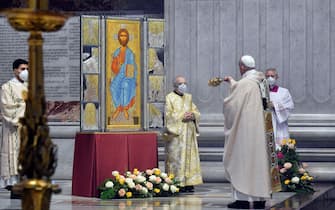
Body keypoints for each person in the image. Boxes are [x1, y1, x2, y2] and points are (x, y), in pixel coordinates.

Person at [223, 55, 275, 209]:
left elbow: (232, 105)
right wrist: (233, 83)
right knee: (259, 162)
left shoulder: (245, 83)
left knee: (243, 162)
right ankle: (260, 198)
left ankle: (242, 199)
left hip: (245, 131)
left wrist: (226, 102)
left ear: (242, 67)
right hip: (262, 130)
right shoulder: (262, 80)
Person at [164, 75, 203, 192]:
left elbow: (196, 111)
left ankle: (189, 182)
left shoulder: (188, 97)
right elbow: (168, 116)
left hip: (188, 134)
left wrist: (193, 115)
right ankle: (177, 182)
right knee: (176, 158)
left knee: (189, 158)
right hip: (176, 135)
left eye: (185, 83)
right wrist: (182, 116)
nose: (183, 86)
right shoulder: (169, 98)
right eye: (181, 83)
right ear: (175, 86)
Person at [0, 59, 28, 197]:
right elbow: (7, 108)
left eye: (27, 69)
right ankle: (14, 186)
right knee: (14, 156)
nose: (25, 72)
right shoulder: (7, 87)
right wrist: (25, 107)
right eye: (22, 69)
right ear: (15, 70)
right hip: (14, 129)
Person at [110, 28, 137, 121]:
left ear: (128, 38)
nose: (123, 37)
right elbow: (113, 68)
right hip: (119, 75)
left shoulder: (130, 53)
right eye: (121, 35)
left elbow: (131, 68)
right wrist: (116, 62)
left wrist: (129, 78)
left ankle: (125, 108)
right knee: (113, 87)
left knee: (124, 86)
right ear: (118, 38)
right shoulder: (116, 52)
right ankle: (118, 107)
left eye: (125, 35)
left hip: (128, 76)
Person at [265, 68, 294, 148]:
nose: (270, 78)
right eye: (267, 76)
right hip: (265, 122)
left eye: (272, 76)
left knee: (280, 146)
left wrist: (275, 105)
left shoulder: (284, 92)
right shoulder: (261, 92)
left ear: (276, 77)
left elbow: (289, 106)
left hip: (279, 124)